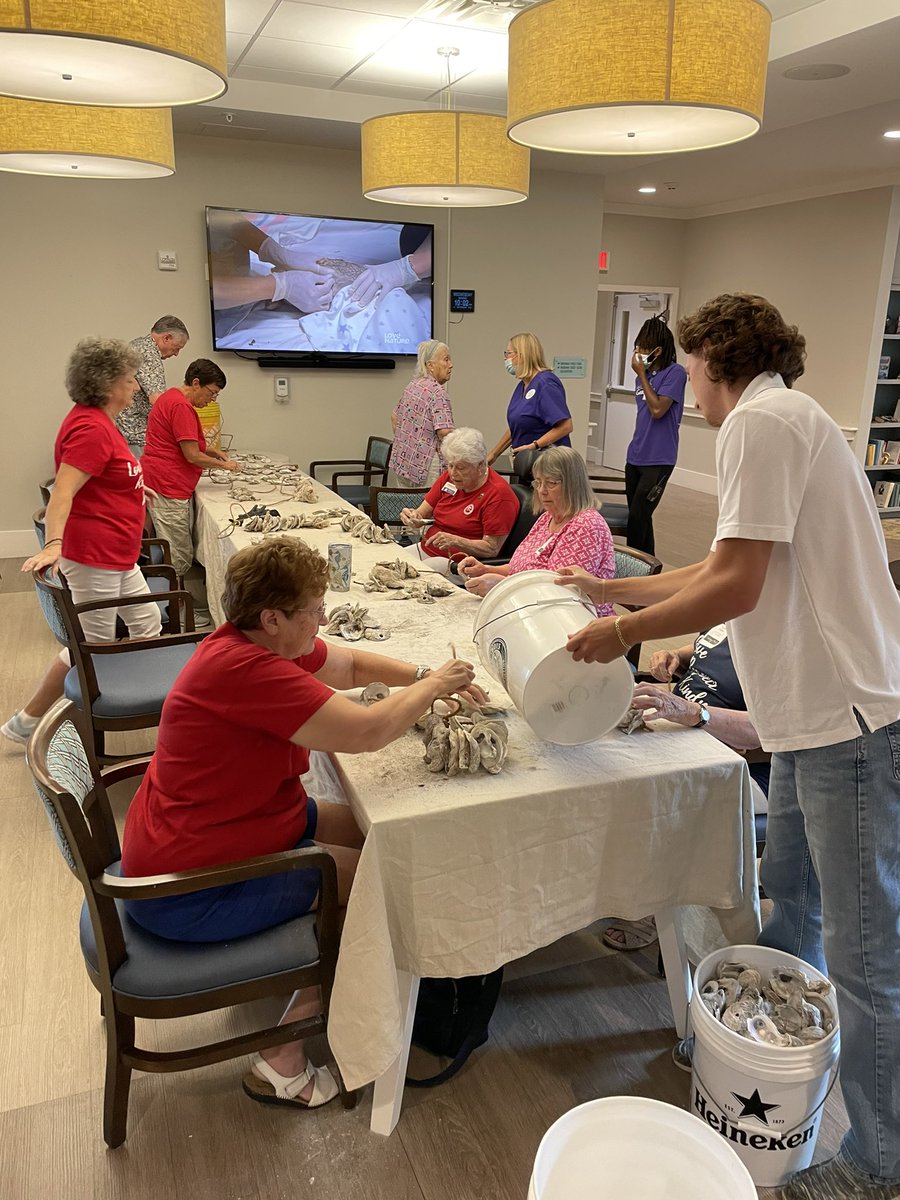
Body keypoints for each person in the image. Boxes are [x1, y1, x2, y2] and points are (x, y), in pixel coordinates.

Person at [555, 293, 900, 1200]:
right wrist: (608, 586)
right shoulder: (786, 417)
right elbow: (719, 565)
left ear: (714, 359)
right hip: (811, 722)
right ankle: (752, 1041)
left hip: (847, 723)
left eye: (688, 369)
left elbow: (736, 588)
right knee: (796, 903)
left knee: (868, 957)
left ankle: (880, 1162)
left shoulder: (761, 422)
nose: (684, 388)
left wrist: (620, 638)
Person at [120, 536, 480, 1110]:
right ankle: (281, 1061)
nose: (323, 618)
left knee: (389, 839)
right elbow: (365, 733)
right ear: (273, 618)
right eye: (314, 610)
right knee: (373, 881)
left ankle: (412, 973)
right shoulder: (250, 672)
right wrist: (437, 687)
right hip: (185, 887)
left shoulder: (254, 644)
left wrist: (422, 672)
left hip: (224, 826)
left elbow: (353, 663)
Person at [2, 338, 162, 746]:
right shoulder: (91, 427)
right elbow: (64, 491)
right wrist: (53, 542)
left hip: (117, 554)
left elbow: (101, 478)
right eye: (129, 380)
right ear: (109, 384)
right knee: (91, 647)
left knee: (147, 624)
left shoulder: (98, 421)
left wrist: (133, 491)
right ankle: (30, 719)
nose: (135, 387)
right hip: (96, 556)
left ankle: (146, 703)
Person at [603, 626, 776, 953]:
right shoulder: (734, 614)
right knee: (602, 770)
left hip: (744, 766)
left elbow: (764, 732)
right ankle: (618, 885)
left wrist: (696, 713)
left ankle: (658, 905)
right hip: (687, 735)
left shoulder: (779, 634)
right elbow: (704, 649)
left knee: (654, 798)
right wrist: (677, 658)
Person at [140, 359, 239, 627]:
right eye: (211, 392)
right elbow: (191, 455)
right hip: (168, 487)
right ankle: (179, 613)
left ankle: (180, 601)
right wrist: (224, 465)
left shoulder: (171, 398)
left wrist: (213, 450)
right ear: (196, 383)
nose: (211, 399)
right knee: (178, 551)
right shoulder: (181, 406)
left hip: (164, 482)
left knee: (178, 547)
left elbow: (187, 444)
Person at [457, 446, 615, 613]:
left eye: (551, 483)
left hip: (573, 620)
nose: (541, 491)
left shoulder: (586, 526)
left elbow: (561, 592)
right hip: (531, 608)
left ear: (573, 484)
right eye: (538, 483)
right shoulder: (547, 517)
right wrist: (486, 569)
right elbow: (521, 568)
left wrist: (502, 585)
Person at [399, 427, 519, 575]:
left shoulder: (499, 495)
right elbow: (421, 513)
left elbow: (491, 548)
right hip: (428, 549)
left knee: (409, 577)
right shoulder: (450, 478)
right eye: (450, 465)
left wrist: (456, 541)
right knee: (387, 563)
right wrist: (413, 516)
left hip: (458, 562)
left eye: (461, 468)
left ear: (481, 466)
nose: (453, 473)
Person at [624, 315, 687, 555]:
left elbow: (658, 409)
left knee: (638, 519)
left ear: (658, 351)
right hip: (635, 456)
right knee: (640, 519)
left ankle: (631, 573)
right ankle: (647, 572)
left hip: (659, 459)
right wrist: (643, 374)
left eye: (643, 348)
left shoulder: (676, 373)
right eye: (636, 347)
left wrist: (641, 374)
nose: (638, 353)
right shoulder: (646, 375)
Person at [487, 333, 573, 482]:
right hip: (527, 464)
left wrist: (533, 446)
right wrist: (494, 454)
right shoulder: (523, 385)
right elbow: (518, 426)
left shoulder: (545, 383)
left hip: (549, 466)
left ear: (522, 355)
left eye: (509, 353)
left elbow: (565, 426)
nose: (505, 358)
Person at [115, 316, 190, 458]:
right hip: (136, 435)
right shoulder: (149, 354)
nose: (176, 354)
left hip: (121, 430)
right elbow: (158, 400)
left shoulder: (137, 345)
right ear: (166, 338)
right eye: (177, 348)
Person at [390, 340, 455, 488]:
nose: (451, 364)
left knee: (407, 509)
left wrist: (409, 443)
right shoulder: (437, 392)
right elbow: (444, 432)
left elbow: (394, 417)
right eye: (446, 359)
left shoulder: (413, 386)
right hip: (427, 467)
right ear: (430, 365)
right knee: (426, 510)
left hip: (404, 464)